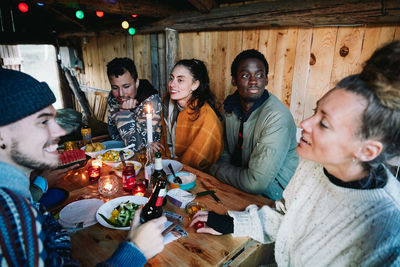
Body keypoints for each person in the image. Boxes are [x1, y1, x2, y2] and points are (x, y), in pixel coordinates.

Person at [191, 41, 400, 265]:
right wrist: (232, 223)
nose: (305, 123)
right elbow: (285, 215)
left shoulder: (384, 231)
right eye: (315, 111)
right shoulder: (314, 167)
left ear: (367, 150)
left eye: (325, 123)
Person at [0, 68, 166, 266]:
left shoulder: (18, 199)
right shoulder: (9, 211)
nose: (60, 130)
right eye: (43, 121)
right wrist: (135, 251)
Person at [209, 49, 298, 200]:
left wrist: (215, 170)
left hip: (275, 194)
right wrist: (220, 169)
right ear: (234, 80)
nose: (253, 81)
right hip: (239, 183)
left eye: (259, 75)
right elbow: (224, 154)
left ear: (266, 80)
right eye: (245, 75)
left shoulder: (276, 117)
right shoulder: (231, 108)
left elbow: (256, 183)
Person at [159, 59, 223, 171]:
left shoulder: (206, 116)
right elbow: (164, 143)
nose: (172, 84)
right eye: (171, 78)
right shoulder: (167, 104)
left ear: (195, 85)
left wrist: (171, 166)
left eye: (180, 80)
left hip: (196, 174)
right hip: (169, 164)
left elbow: (196, 161)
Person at [107, 57, 162, 152]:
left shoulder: (152, 102)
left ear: (136, 82)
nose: (121, 94)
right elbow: (113, 133)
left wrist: (123, 113)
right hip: (119, 153)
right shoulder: (113, 96)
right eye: (115, 87)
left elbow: (138, 147)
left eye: (126, 86)